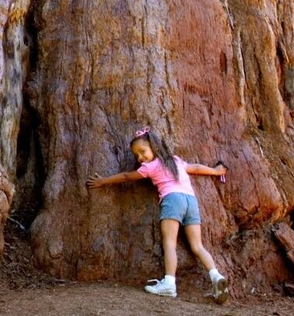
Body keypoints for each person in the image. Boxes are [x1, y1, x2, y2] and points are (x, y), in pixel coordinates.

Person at [86, 127, 229, 302]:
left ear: (153, 146)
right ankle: (216, 276)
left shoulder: (150, 167)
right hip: (191, 201)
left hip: (172, 199)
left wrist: (103, 181)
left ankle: (169, 283)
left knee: (169, 242)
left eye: (142, 151)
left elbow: (125, 176)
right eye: (136, 155)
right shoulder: (175, 160)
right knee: (197, 246)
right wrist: (216, 171)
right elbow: (195, 167)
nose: (140, 158)